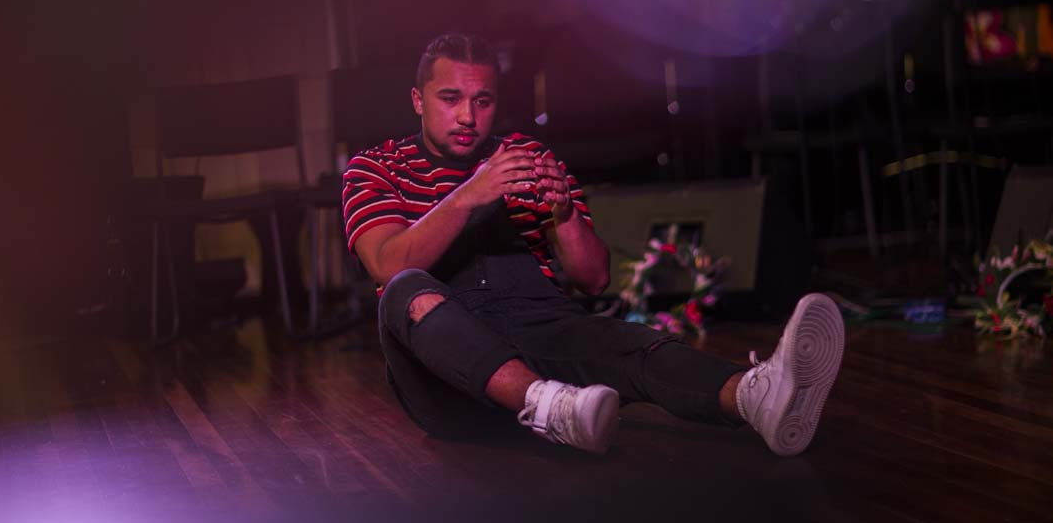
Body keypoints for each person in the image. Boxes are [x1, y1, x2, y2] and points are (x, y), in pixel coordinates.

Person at [341, 33, 844, 456]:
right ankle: (544, 405)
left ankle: (755, 397)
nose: (468, 116)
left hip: (539, 335)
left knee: (627, 342)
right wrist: (470, 195)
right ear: (418, 100)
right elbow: (387, 264)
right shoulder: (375, 169)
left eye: (483, 101)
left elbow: (594, 278)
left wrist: (563, 215)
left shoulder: (526, 156)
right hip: (445, 382)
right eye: (450, 99)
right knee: (406, 289)